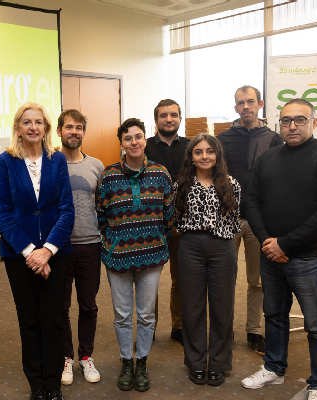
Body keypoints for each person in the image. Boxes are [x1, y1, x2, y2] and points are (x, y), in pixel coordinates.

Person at [241, 98, 317, 400]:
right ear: (279, 125)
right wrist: (266, 241)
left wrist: (284, 243)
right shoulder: (268, 159)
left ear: (313, 122)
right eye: (286, 120)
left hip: (308, 258)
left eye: (300, 119)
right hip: (270, 255)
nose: (292, 125)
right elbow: (252, 202)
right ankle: (274, 367)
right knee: (274, 315)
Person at [0, 102, 74, 400]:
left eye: (38, 122)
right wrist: (30, 252)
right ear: (18, 127)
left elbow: (66, 210)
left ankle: (53, 385)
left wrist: (48, 250)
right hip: (19, 257)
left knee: (53, 320)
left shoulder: (57, 161)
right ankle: (36, 385)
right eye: (26, 122)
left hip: (56, 255)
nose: (33, 127)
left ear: (46, 128)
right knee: (29, 321)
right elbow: (2, 214)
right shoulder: (5, 161)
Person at [96, 118, 173, 392]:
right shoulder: (108, 176)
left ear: (145, 139)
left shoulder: (161, 174)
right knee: (122, 314)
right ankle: (125, 361)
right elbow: (101, 215)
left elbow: (169, 215)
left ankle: (142, 361)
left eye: (138, 136)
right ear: (122, 143)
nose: (134, 142)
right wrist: (113, 242)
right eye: (128, 138)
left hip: (151, 255)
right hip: (118, 257)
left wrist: (155, 238)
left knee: (146, 314)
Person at [218, 85, 282, 355]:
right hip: (228, 218)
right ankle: (224, 330)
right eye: (240, 103)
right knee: (225, 278)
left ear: (260, 104)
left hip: (259, 221)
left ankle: (254, 330)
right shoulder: (223, 139)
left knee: (257, 281)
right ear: (235, 108)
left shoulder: (274, 139)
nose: (246, 106)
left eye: (250, 102)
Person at [174, 134, 240, 386]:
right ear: (191, 156)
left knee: (222, 307)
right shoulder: (181, 184)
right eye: (198, 152)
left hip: (222, 247)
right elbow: (176, 217)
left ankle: (220, 363)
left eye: (209, 151)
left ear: (217, 155)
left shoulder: (231, 184)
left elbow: (234, 221)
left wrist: (223, 242)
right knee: (192, 307)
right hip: (190, 247)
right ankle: (196, 362)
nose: (204, 156)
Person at [56, 109, 104, 386]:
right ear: (60, 130)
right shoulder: (50, 162)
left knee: (88, 305)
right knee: (60, 306)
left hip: (90, 245)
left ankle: (86, 356)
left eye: (79, 128)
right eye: (69, 127)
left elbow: (103, 205)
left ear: (84, 132)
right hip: (58, 247)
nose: (74, 132)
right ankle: (66, 357)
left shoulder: (97, 166)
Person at [145, 99, 189, 345]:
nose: (169, 119)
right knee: (149, 279)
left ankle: (179, 326)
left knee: (181, 278)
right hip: (153, 224)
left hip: (183, 224)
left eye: (173, 115)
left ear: (180, 118)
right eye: (164, 115)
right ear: (157, 120)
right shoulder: (146, 147)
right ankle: (148, 326)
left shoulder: (191, 147)